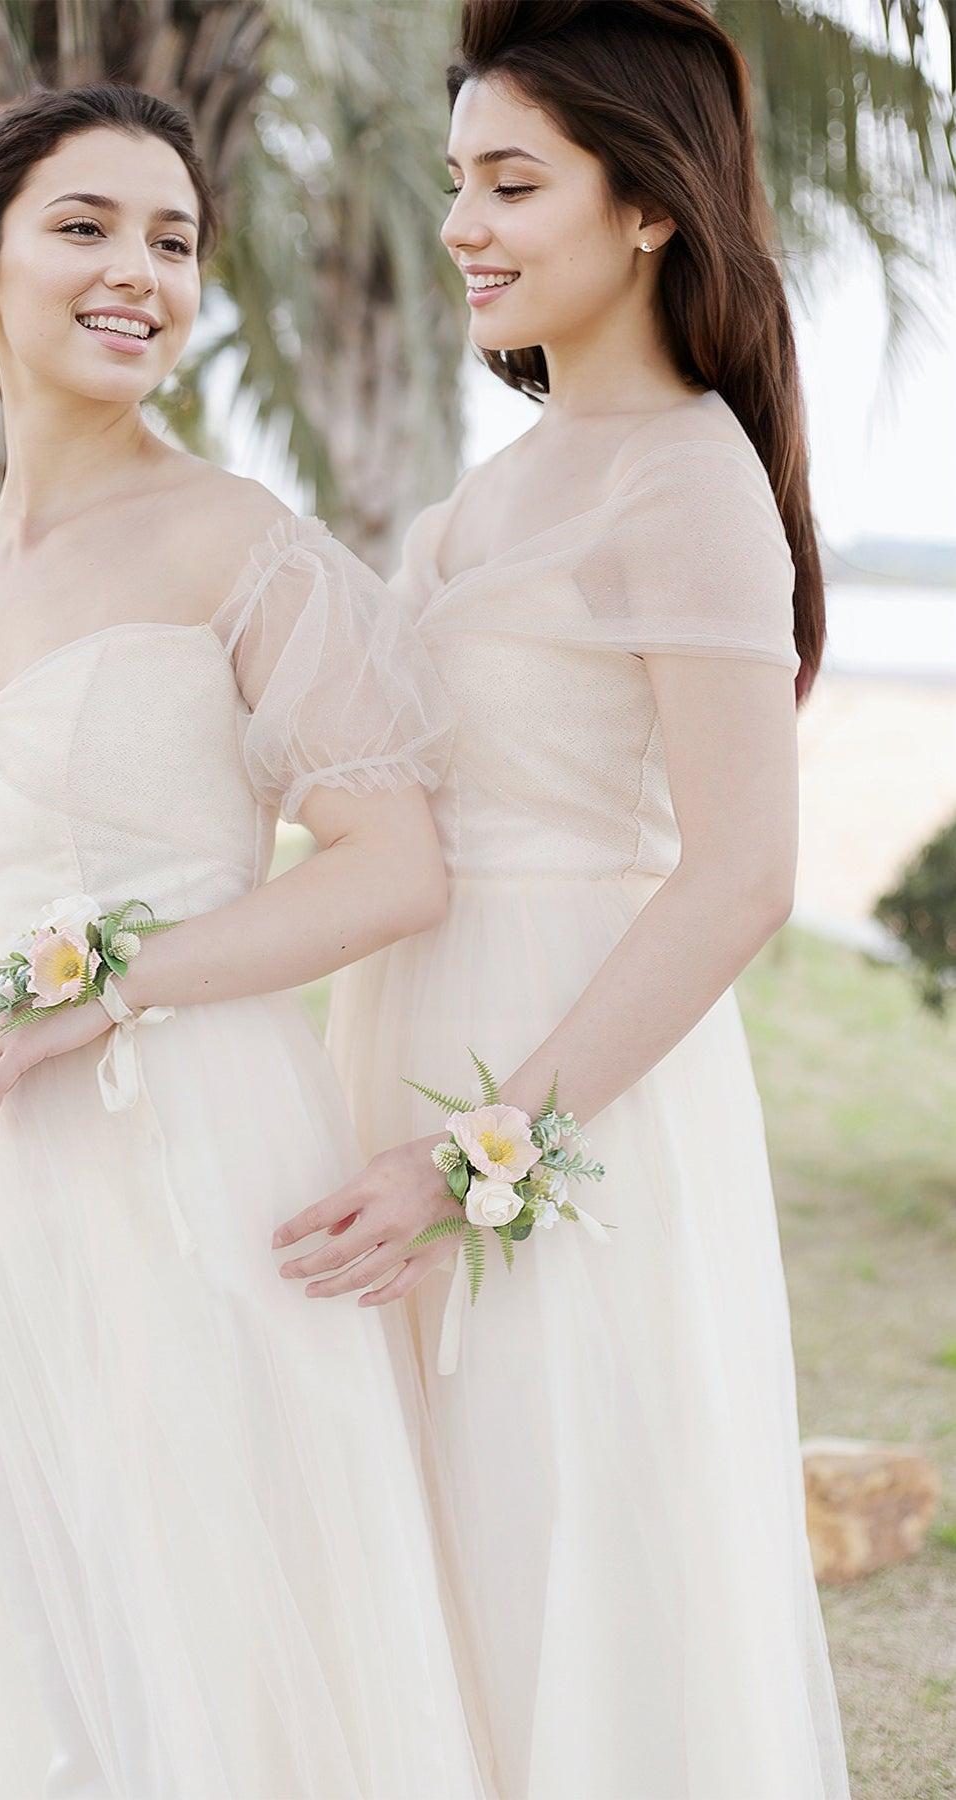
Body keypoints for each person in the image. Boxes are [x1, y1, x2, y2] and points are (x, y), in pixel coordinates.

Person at [0, 81, 486, 1800]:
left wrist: (111, 991)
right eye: (84, 227)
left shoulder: (239, 544)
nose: (138, 268)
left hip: (193, 1142)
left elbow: (390, 866)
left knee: (232, 1607)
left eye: (172, 238)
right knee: (53, 1603)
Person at [274, 4, 852, 1796]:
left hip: (561, 1098)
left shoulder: (689, 481)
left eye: (512, 182)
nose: (462, 224)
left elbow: (744, 875)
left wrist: (483, 1156)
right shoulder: (487, 499)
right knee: (434, 1548)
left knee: (566, 1538)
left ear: (650, 205)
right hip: (411, 1037)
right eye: (455, 180)